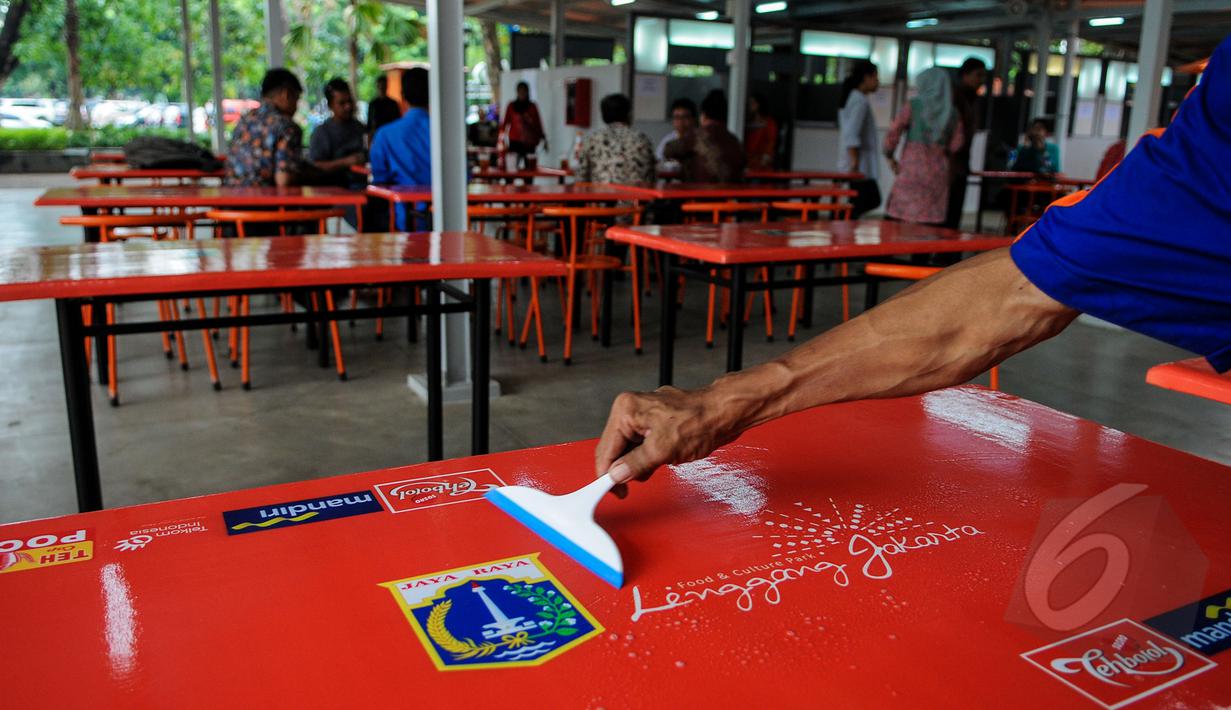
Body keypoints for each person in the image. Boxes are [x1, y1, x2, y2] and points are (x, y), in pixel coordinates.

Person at [591, 31, 1231, 497]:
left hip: (912, 196)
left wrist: (722, 402)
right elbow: (1004, 297)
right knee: (932, 250)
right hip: (932, 203)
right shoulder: (1209, 142)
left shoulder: (1203, 154)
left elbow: (1006, 298)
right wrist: (721, 404)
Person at [883, 67, 965, 225]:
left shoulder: (913, 105)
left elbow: (893, 132)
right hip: (938, 174)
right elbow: (956, 145)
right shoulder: (953, 113)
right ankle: (922, 250)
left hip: (911, 171)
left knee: (896, 219)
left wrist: (889, 155)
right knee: (928, 226)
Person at [370, 67, 430, 230]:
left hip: (402, 221)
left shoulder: (384, 135)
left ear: (403, 96)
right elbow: (463, 176)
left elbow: (380, 179)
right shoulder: (449, 134)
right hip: (449, 219)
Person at [225, 68, 305, 187]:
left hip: (229, 201)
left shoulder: (244, 121)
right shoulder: (287, 126)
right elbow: (284, 180)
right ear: (286, 94)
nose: (296, 107)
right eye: (296, 99)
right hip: (265, 202)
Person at [944, 58, 989, 230]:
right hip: (951, 166)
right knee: (948, 213)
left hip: (960, 165)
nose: (981, 80)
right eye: (978, 75)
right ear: (965, 75)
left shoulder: (971, 100)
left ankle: (947, 253)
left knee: (953, 214)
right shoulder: (956, 98)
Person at [663, 90, 745, 183]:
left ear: (703, 115)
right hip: (731, 195)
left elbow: (668, 150)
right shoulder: (735, 141)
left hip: (699, 194)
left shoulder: (696, 137)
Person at [575, 93, 656, 185]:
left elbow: (581, 177)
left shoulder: (592, 140)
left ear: (604, 116)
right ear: (628, 114)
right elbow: (653, 175)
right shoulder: (642, 138)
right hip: (638, 197)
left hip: (602, 197)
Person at [838, 60, 882, 217]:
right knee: (870, 199)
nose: (878, 81)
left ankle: (844, 225)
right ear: (866, 77)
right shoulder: (859, 101)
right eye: (876, 77)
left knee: (860, 202)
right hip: (858, 165)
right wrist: (855, 162)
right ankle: (841, 223)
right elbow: (851, 133)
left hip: (857, 163)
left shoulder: (854, 98)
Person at [308, 78, 367, 188]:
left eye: (350, 101)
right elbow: (315, 166)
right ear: (331, 106)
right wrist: (346, 162)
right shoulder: (322, 132)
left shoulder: (360, 128)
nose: (348, 106)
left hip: (362, 185)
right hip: (334, 190)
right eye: (342, 103)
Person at [500, 81, 547, 168]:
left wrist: (544, 139)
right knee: (512, 167)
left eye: (524, 91)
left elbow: (538, 124)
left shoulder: (532, 107)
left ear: (527, 92)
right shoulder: (512, 106)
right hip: (515, 142)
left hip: (529, 143)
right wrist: (501, 140)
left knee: (530, 168)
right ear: (517, 92)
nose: (522, 94)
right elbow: (505, 123)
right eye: (520, 91)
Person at [656, 98, 698, 165]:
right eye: (677, 117)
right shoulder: (667, 141)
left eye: (685, 117)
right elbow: (659, 161)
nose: (681, 121)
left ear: (693, 119)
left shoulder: (700, 139)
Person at [744, 93, 778, 170]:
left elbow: (770, 143)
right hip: (748, 163)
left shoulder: (769, 123)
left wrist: (764, 160)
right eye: (749, 103)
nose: (750, 106)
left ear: (759, 104)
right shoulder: (747, 122)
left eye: (753, 103)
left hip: (761, 165)